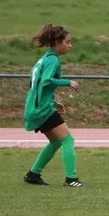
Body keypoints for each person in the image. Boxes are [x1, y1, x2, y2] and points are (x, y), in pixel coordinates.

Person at [23, 24, 82, 187]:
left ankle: (33, 174)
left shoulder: (44, 59)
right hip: (42, 109)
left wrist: (54, 102)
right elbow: (46, 81)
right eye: (67, 42)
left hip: (36, 107)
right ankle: (71, 179)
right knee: (68, 140)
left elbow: (38, 86)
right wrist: (68, 82)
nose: (70, 45)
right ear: (57, 42)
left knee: (56, 142)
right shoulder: (52, 60)